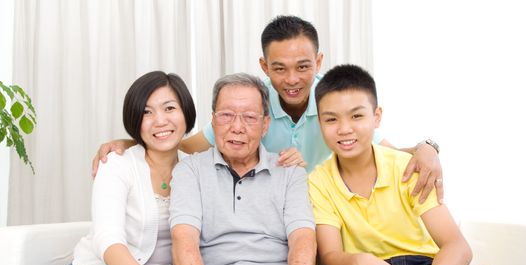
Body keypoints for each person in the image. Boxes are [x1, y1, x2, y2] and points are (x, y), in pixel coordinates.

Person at [92, 15, 444, 204]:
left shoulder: (334, 101)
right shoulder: (249, 109)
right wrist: (129, 142)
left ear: (318, 61)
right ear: (264, 66)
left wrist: (427, 148)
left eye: (303, 66)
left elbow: (386, 150)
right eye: (279, 68)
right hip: (275, 217)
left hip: (329, 215)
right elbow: (179, 144)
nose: (292, 79)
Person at [308, 64, 518, 265]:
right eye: (331, 119)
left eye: (357, 116)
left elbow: (457, 246)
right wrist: (363, 262)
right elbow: (330, 257)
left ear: (376, 116)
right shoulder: (318, 181)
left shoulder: (407, 168)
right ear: (319, 123)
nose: (345, 129)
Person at [169, 73, 323, 265]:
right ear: (213, 120)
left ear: (265, 125)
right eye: (226, 115)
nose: (237, 127)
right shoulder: (189, 170)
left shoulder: (289, 170)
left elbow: (303, 236)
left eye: (250, 118)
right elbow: (184, 239)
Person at [48, 71, 196, 265]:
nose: (160, 120)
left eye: (170, 108)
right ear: (135, 121)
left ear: (186, 112)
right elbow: (109, 240)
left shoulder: (196, 170)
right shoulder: (117, 164)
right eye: (146, 112)